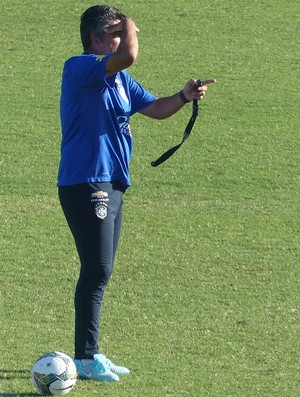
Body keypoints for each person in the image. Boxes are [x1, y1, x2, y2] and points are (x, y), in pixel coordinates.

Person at [57, 4, 215, 382]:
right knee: (97, 269)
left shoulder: (120, 82)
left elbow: (157, 108)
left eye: (120, 31)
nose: (123, 36)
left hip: (113, 182)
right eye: (113, 31)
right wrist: (129, 24)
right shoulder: (79, 67)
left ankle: (90, 353)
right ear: (95, 39)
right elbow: (128, 54)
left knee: (101, 270)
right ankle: (84, 357)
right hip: (86, 180)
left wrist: (183, 96)